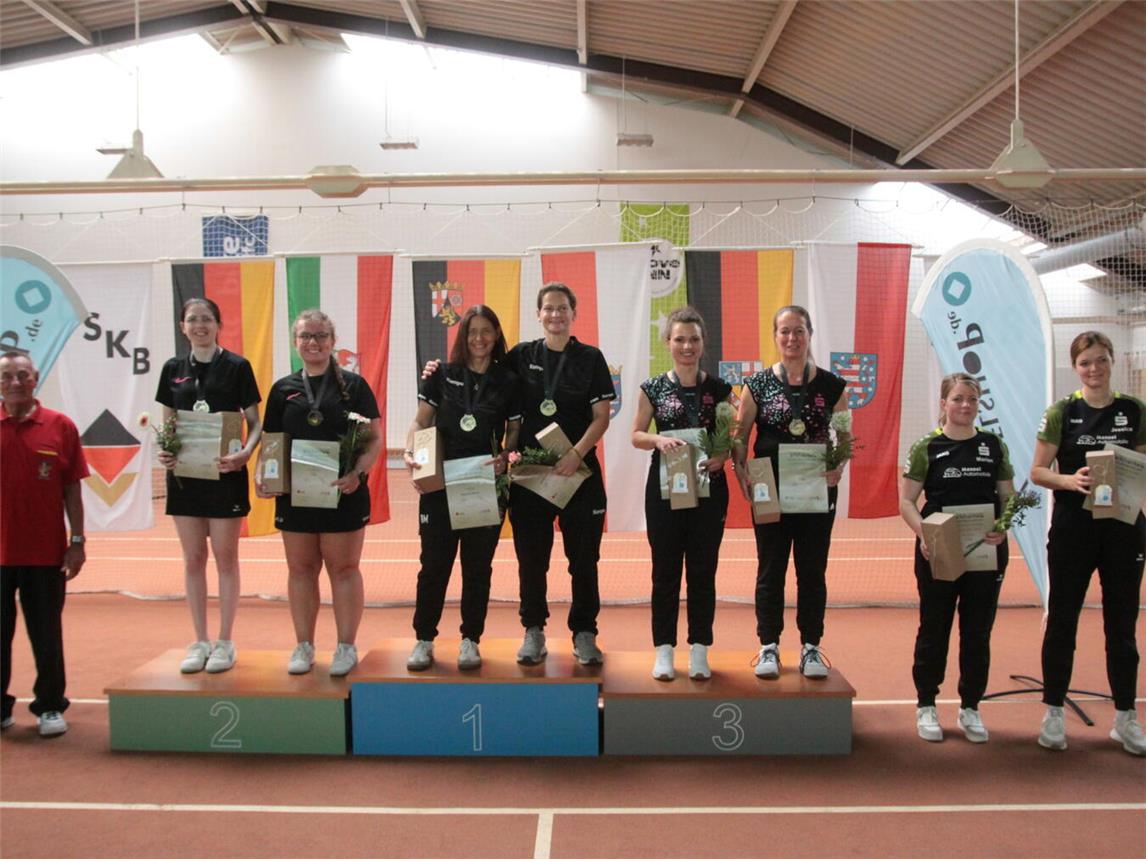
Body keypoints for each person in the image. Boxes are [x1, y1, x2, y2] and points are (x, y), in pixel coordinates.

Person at [422, 283, 614, 666]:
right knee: (532, 560)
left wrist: (576, 454)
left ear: (573, 313)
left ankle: (584, 632)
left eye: (562, 308)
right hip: (530, 475)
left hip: (578, 474)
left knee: (583, 561)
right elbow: (480, 370)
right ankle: (533, 630)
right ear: (538, 314)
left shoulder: (591, 358)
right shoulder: (521, 357)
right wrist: (436, 371)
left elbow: (601, 417)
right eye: (549, 308)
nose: (555, 315)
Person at [1031, 330, 1146, 755]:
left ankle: (1125, 718)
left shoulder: (1133, 410)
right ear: (1075, 367)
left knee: (1122, 625)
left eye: (1100, 360)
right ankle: (1053, 712)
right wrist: (1069, 480)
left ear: (1112, 361)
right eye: (1085, 362)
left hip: (1123, 528)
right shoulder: (1062, 412)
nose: (1093, 369)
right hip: (1073, 530)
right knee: (1062, 621)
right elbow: (1038, 471)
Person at [256, 310, 381, 677]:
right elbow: (271, 442)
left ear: (332, 341)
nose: (313, 342)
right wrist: (264, 475)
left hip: (344, 492)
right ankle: (304, 646)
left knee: (344, 569)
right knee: (301, 569)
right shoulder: (283, 389)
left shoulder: (355, 386)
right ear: (296, 342)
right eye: (306, 336)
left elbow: (373, 439)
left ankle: (346, 646)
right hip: (296, 496)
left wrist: (358, 473)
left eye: (321, 335)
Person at [731, 305, 847, 679]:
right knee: (771, 567)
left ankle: (811, 647)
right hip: (770, 487)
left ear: (809, 334)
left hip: (816, 489)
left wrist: (838, 466)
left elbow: (844, 436)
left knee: (812, 570)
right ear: (775, 336)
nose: (792, 338)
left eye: (799, 331)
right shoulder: (757, 384)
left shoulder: (832, 385)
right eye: (784, 331)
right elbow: (739, 435)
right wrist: (740, 471)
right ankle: (768, 645)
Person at [403, 306, 521, 671]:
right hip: (441, 484)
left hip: (483, 483)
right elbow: (421, 421)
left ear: (496, 335)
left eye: (486, 331)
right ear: (463, 336)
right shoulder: (441, 374)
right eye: (472, 332)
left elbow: (515, 429)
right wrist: (411, 452)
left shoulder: (508, 380)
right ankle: (424, 639)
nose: (479, 338)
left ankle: (471, 639)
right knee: (433, 566)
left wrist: (506, 456)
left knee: (477, 567)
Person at [899, 373, 1013, 743]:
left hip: (985, 550)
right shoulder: (927, 446)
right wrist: (924, 534)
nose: (965, 405)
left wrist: (1003, 526)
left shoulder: (993, 445)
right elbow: (906, 502)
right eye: (958, 399)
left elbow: (1008, 497)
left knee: (978, 631)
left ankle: (970, 707)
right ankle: (926, 704)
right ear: (944, 403)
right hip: (939, 550)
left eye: (972, 399)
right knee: (934, 628)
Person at [156, 298, 262, 675]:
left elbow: (255, 422)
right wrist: (166, 451)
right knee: (193, 559)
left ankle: (225, 641)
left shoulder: (237, 367)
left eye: (206, 319)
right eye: (193, 319)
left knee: (225, 557)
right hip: (185, 478)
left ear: (218, 324)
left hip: (225, 474)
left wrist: (245, 453)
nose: (200, 325)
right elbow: (169, 423)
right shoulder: (172, 369)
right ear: (182, 326)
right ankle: (200, 640)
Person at [631, 307, 732, 681]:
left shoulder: (720, 390)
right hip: (665, 490)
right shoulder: (653, 388)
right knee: (665, 572)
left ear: (703, 342)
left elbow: (732, 436)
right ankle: (664, 650)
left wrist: (722, 455)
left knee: (703, 572)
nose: (687, 346)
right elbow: (636, 435)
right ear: (668, 342)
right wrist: (658, 440)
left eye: (694, 339)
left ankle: (700, 649)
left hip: (709, 490)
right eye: (679, 339)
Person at [1, 352, 88, 736]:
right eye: (7, 376)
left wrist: (77, 541)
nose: (15, 382)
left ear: (36, 378)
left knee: (47, 634)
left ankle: (50, 706)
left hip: (45, 553)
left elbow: (72, 490)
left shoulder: (60, 426)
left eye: (23, 375)